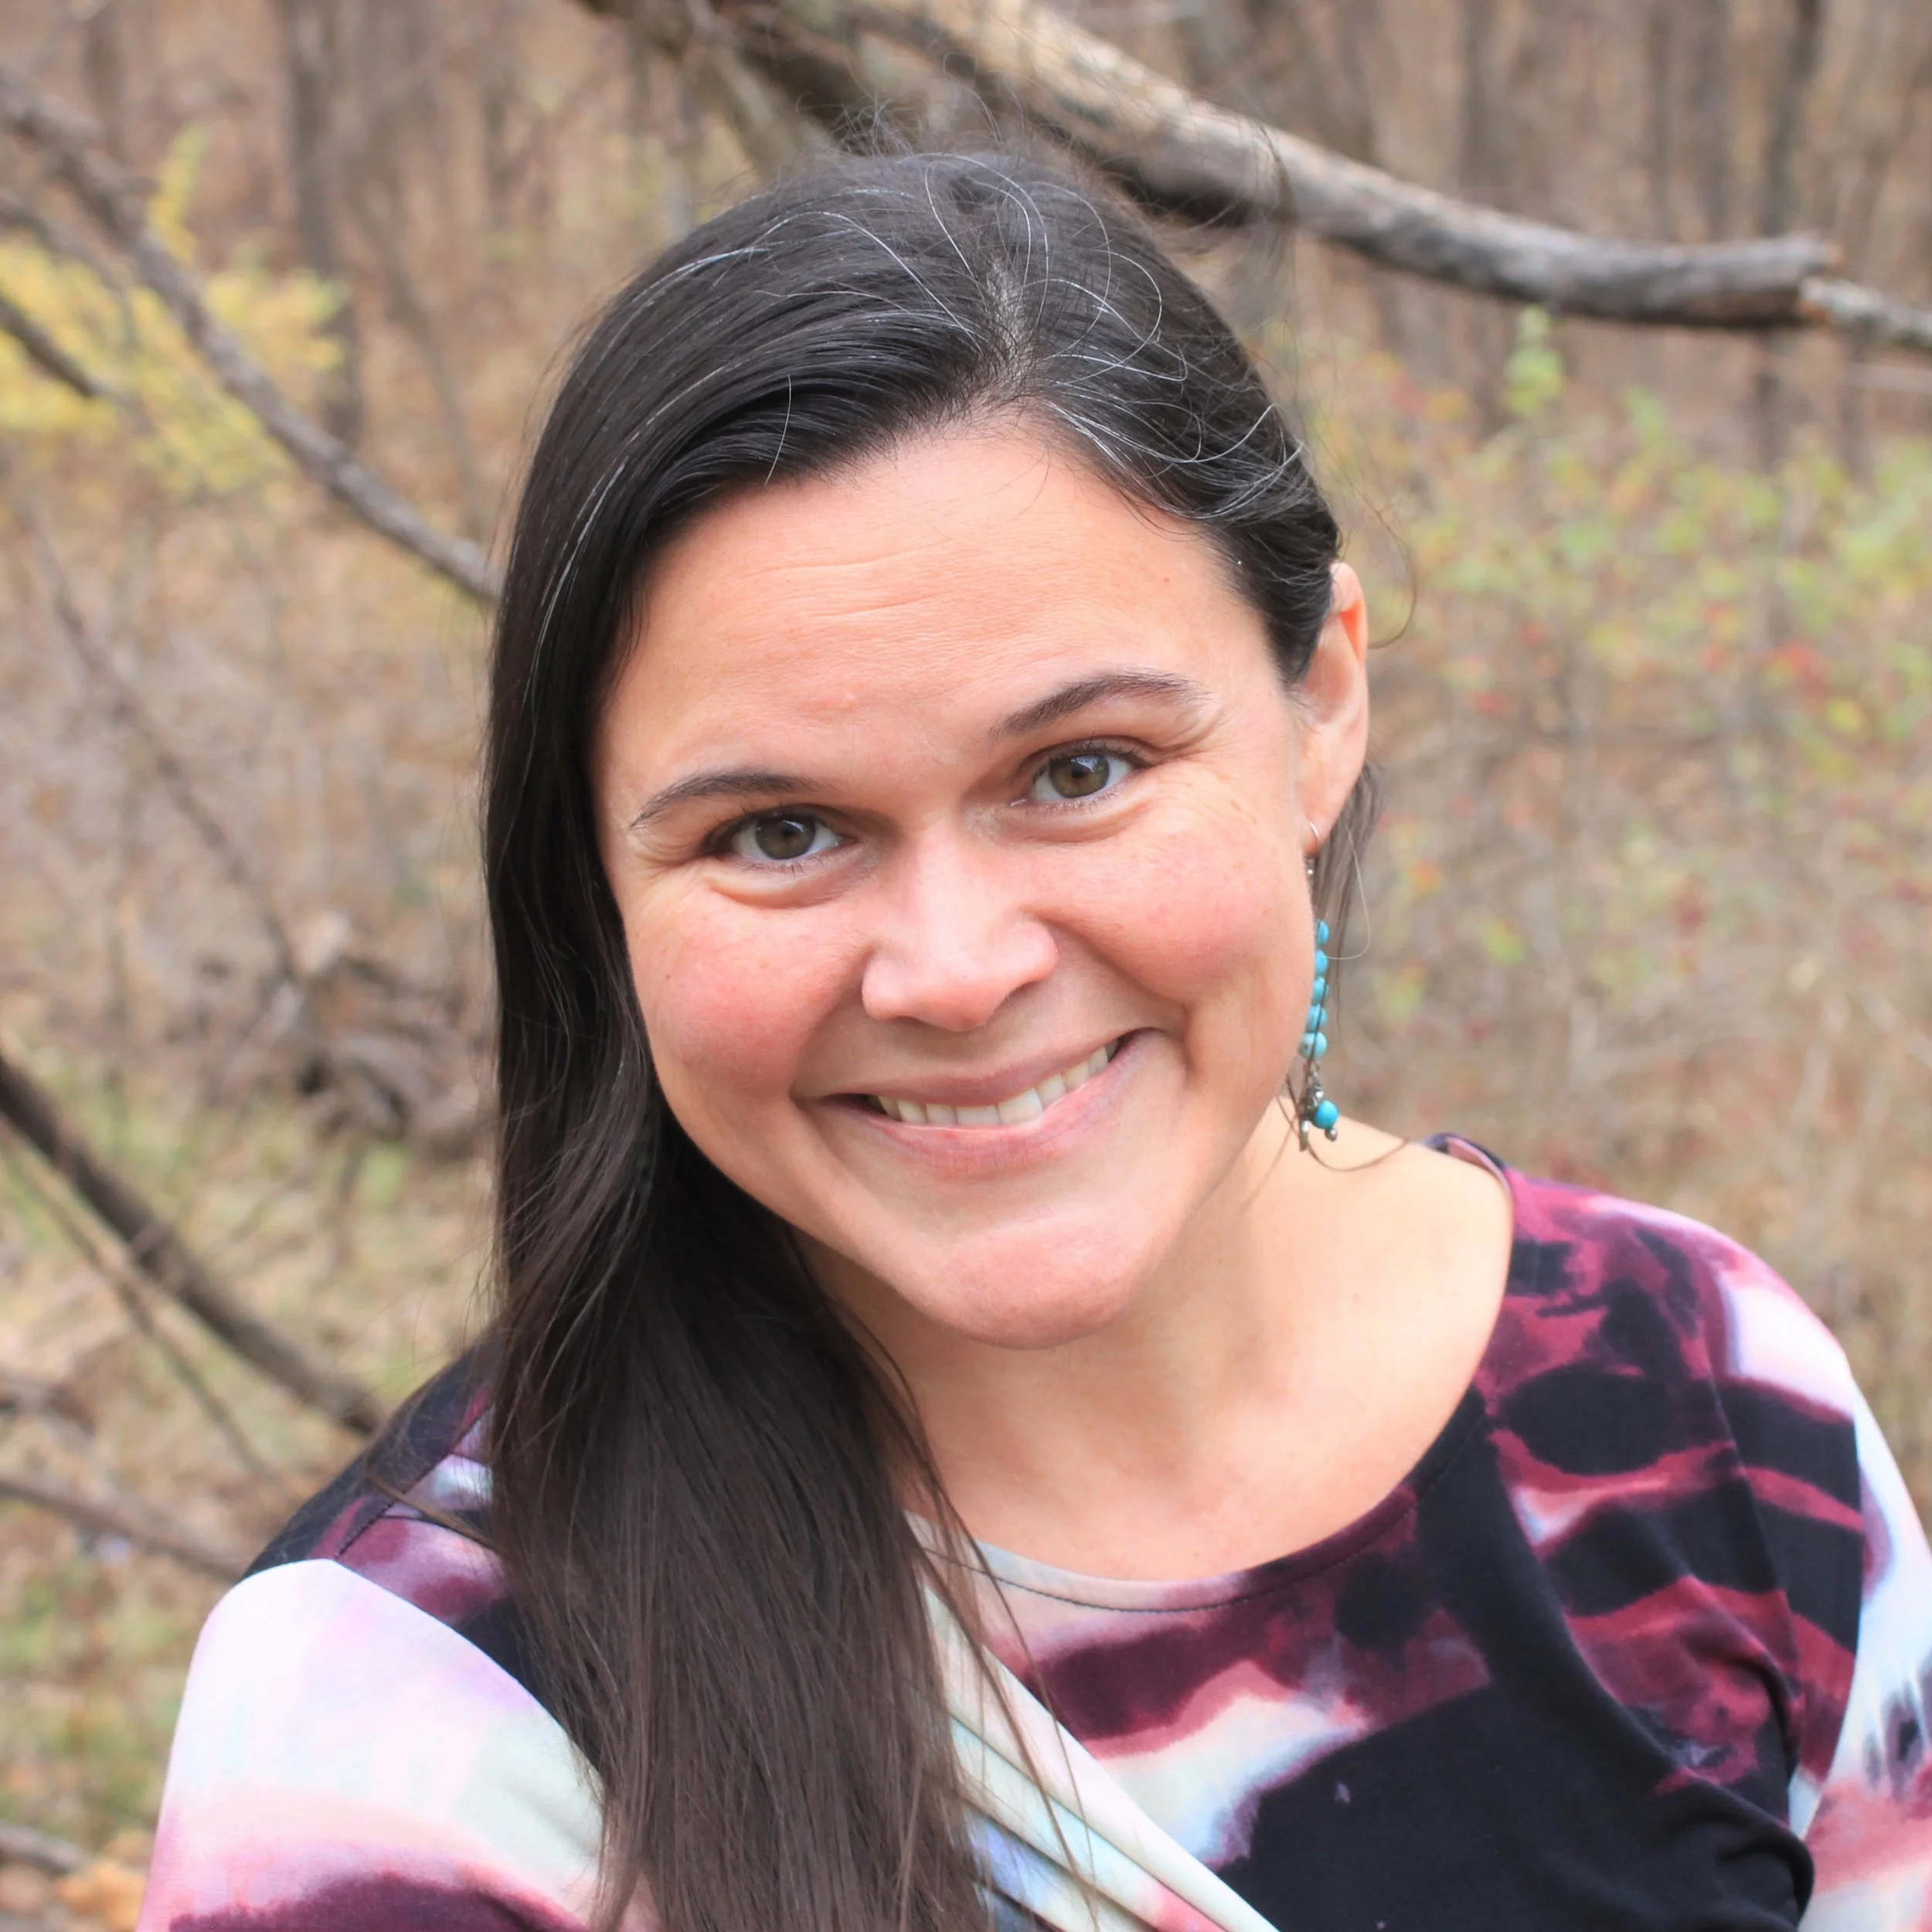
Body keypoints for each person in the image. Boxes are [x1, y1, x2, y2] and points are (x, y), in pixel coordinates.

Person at [137, 150, 1932, 1932]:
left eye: (1077, 769)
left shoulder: (1701, 1405)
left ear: (1318, 700)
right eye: (779, 829)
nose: (955, 968)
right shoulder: (401, 1723)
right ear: (595, 879)